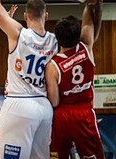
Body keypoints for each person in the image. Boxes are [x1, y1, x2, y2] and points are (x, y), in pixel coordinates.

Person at [0, 0, 58, 158]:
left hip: (20, 103)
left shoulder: (19, 33)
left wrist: (8, 19)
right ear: (46, 16)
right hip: (44, 108)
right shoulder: (54, 42)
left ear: (25, 16)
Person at [44, 0, 105, 158]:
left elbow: (55, 101)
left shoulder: (53, 65)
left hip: (61, 115)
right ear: (77, 36)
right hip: (83, 112)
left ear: (57, 38)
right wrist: (89, 6)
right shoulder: (86, 46)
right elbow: (88, 23)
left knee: (58, 155)